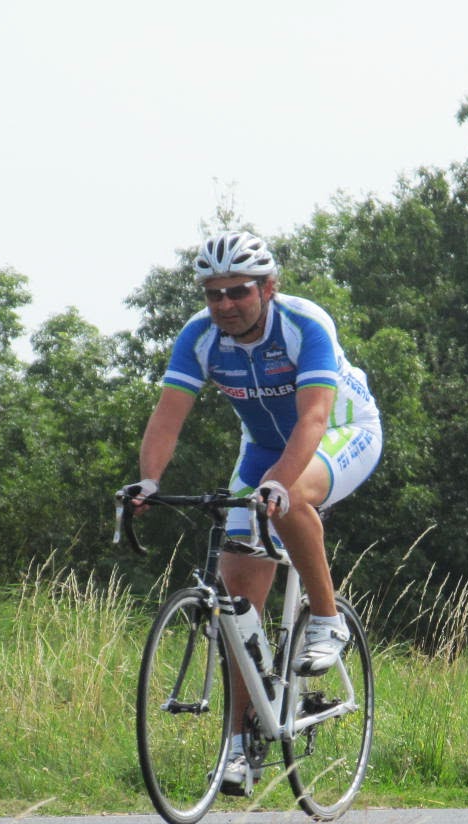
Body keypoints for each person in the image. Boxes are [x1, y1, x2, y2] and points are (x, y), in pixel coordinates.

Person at [124, 230, 382, 794]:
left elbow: (313, 419)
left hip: (339, 433)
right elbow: (167, 417)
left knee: (290, 500)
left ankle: (328, 620)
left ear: (268, 288)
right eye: (213, 294)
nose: (225, 304)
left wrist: (281, 485)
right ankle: (242, 745)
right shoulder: (199, 337)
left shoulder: (303, 325)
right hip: (263, 449)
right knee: (237, 605)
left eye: (238, 291)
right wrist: (149, 481)